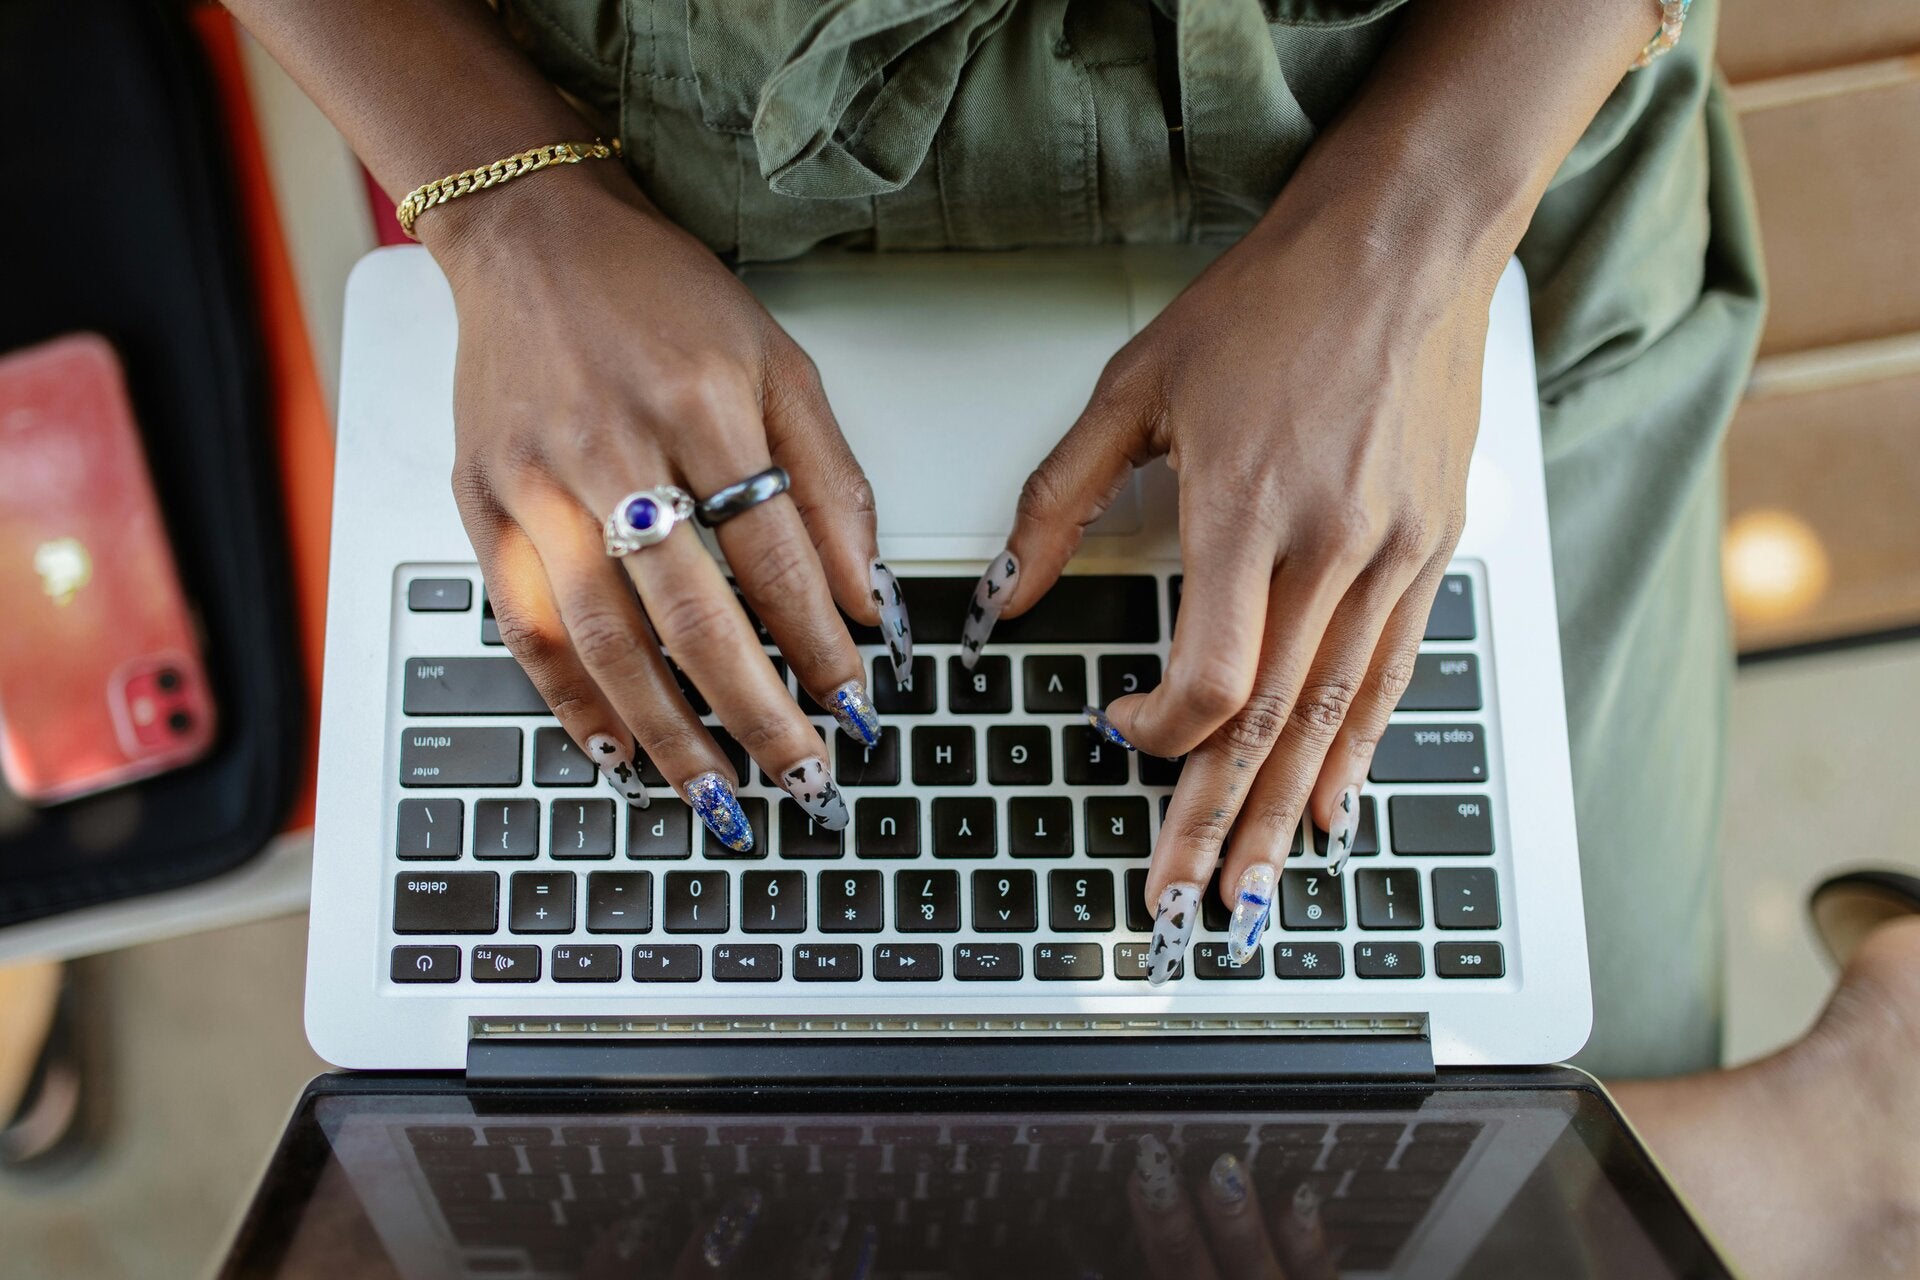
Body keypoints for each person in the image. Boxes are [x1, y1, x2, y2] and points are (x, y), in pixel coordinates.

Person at [223, 0, 1762, 1076]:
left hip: (1443, 176)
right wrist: (509, 211)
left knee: (1549, 1114)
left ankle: (1851, 1106)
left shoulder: (1429, 228)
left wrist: (1417, 236)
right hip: (636, 263)